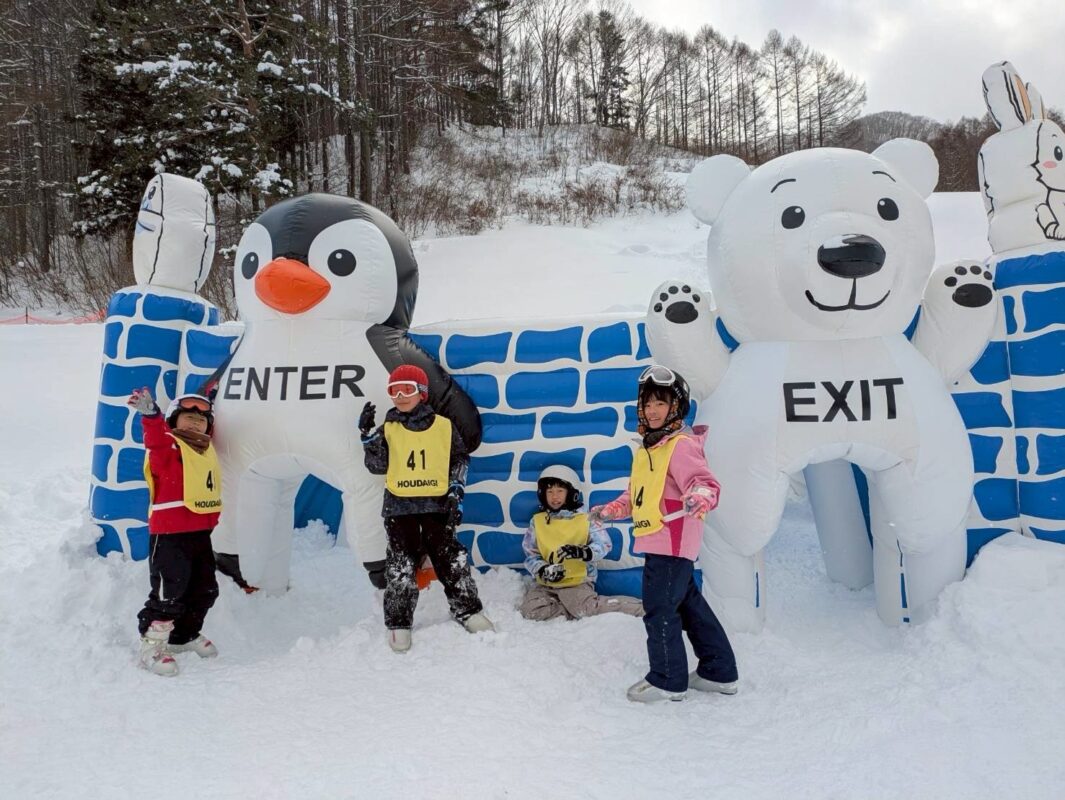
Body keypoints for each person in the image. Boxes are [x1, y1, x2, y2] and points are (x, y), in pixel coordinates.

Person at [590, 365, 738, 703]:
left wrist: (700, 496)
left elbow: (703, 482)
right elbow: (637, 495)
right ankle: (719, 670)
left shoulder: (680, 445)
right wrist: (612, 510)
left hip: (671, 541)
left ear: (676, 407)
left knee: (659, 609)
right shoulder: (649, 449)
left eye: (660, 403)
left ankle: (668, 679)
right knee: (689, 607)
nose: (652, 411)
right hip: (659, 539)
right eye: (647, 404)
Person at [360, 364, 494, 652]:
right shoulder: (389, 428)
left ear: (421, 392)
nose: (399, 396)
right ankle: (398, 621)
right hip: (399, 507)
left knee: (450, 560)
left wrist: (456, 491)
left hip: (436, 505)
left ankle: (468, 609)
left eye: (406, 389)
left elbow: (459, 459)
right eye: (393, 390)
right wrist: (369, 438)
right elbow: (377, 466)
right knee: (400, 566)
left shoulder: (444, 426)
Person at [128, 388, 222, 677]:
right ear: (173, 421)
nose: (194, 422)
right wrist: (151, 416)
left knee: (204, 590)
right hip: (170, 536)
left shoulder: (205, 450)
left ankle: (183, 636)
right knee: (169, 594)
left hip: (200, 535)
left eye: (201, 419)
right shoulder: (169, 447)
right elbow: (155, 442)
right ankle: (152, 645)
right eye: (187, 417)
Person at [520, 465, 643, 621]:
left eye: (560, 491)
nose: (554, 497)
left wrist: (583, 552)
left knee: (586, 610)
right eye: (549, 492)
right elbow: (530, 554)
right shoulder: (537, 521)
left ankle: (637, 607)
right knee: (531, 612)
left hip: (576, 582)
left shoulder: (586, 518)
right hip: (546, 584)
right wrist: (542, 569)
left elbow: (604, 545)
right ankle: (569, 608)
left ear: (571, 493)